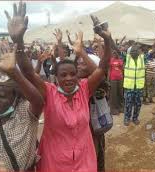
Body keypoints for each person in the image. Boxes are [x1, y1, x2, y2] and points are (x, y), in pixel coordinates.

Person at [6, 2, 112, 171]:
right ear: (56, 77)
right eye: (63, 75)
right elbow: (28, 72)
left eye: (72, 74)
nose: (69, 78)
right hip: (54, 160)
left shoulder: (85, 89)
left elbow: (103, 67)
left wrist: (107, 40)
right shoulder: (49, 91)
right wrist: (18, 41)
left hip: (84, 158)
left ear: (78, 74)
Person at [0, 46, 44, 171]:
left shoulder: (24, 112)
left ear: (15, 97)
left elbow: (38, 101)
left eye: (1, 97)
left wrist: (14, 73)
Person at [123, 44, 145, 126]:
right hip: (129, 87)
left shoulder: (143, 58)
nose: (134, 52)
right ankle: (127, 119)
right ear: (130, 52)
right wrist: (109, 38)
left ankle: (135, 118)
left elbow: (153, 52)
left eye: (136, 50)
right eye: (132, 50)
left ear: (139, 52)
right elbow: (117, 49)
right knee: (128, 104)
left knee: (138, 104)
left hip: (139, 87)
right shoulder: (127, 58)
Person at [109, 50, 124, 115]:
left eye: (116, 53)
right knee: (113, 94)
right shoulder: (111, 60)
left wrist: (123, 77)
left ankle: (121, 107)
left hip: (120, 78)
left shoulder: (120, 60)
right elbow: (109, 70)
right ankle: (114, 109)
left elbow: (122, 69)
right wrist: (108, 79)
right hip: (113, 79)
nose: (114, 54)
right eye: (113, 53)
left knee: (120, 93)